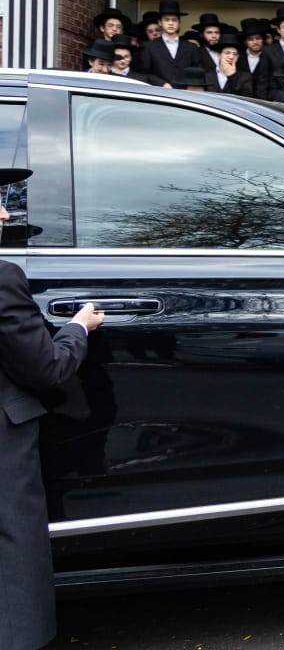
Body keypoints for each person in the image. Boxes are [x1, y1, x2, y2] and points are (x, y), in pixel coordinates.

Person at [0, 167, 105, 650]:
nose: (5, 214)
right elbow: (45, 369)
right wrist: (78, 328)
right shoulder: (3, 277)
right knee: (12, 545)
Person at [138, 0, 210, 86]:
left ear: (179, 23)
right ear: (160, 22)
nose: (171, 23)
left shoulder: (191, 47)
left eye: (174, 20)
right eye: (167, 20)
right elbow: (143, 73)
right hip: (158, 91)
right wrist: (161, 83)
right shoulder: (148, 47)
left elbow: (198, 72)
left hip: (184, 92)